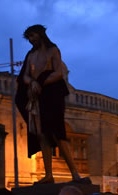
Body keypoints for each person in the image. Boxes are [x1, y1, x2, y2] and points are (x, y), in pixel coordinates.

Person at [16, 24, 85, 184]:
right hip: (36, 97)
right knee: (41, 134)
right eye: (29, 37)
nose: (31, 40)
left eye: (33, 36)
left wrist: (40, 82)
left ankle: (75, 173)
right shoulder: (30, 55)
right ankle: (48, 175)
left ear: (40, 35)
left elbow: (58, 72)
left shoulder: (53, 50)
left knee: (57, 133)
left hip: (51, 95)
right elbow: (24, 75)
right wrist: (32, 83)